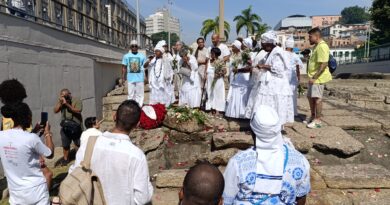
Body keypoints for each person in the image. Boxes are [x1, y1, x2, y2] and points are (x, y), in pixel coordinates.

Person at [70, 100, 153, 204]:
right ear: (137, 125)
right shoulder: (136, 155)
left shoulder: (88, 144)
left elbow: (74, 175)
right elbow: (142, 198)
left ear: (114, 116)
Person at [223, 105, 311, 205]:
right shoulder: (300, 161)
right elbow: (301, 198)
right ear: (279, 129)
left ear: (252, 131)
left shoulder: (238, 162)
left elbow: (226, 198)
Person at [0, 79, 54, 190]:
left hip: (17, 188)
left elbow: (21, 137)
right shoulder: (16, 115)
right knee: (47, 174)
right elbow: (24, 140)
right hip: (26, 160)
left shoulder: (5, 125)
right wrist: (47, 133)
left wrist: (35, 130)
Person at [0, 102, 54, 205]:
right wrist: (47, 133)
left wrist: (35, 130)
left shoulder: (1, 136)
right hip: (37, 191)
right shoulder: (32, 138)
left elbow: (18, 139)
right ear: (28, 117)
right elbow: (50, 153)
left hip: (16, 193)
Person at [245, 31, 294, 126]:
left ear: (268, 43)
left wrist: (262, 66)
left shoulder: (277, 52)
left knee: (273, 104)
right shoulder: (270, 52)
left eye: (263, 44)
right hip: (268, 82)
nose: (262, 47)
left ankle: (273, 125)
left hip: (276, 85)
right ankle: (264, 124)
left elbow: (278, 69)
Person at [306, 27, 332, 129]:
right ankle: (313, 116)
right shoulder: (316, 46)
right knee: (310, 97)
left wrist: (315, 77)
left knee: (317, 99)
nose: (309, 39)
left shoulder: (322, 46)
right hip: (314, 77)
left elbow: (324, 64)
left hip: (318, 78)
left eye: (310, 37)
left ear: (316, 36)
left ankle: (318, 120)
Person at [54, 88, 83, 165]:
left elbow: (78, 110)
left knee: (78, 144)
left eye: (66, 95)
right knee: (65, 144)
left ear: (69, 94)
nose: (65, 97)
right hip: (65, 127)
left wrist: (66, 104)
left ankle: (80, 159)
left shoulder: (76, 100)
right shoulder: (61, 102)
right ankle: (66, 159)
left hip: (76, 126)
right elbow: (55, 111)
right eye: (62, 95)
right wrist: (61, 103)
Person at [225, 40, 251, 119]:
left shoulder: (245, 55)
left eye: (233, 47)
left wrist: (238, 70)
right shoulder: (233, 55)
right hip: (235, 77)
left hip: (242, 77)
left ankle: (242, 113)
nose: (232, 48)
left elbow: (249, 66)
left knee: (241, 93)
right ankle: (234, 113)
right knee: (234, 93)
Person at [144, 40, 175, 106]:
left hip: (162, 82)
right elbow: (145, 66)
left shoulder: (165, 60)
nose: (156, 53)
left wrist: (170, 79)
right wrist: (149, 60)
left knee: (162, 96)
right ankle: (155, 106)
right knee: (154, 95)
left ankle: (162, 106)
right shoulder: (153, 59)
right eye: (155, 51)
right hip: (154, 82)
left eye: (157, 51)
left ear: (161, 52)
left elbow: (170, 71)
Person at [121, 40, 146, 107]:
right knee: (130, 94)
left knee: (140, 94)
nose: (134, 48)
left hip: (140, 78)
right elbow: (124, 67)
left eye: (135, 46)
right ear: (130, 47)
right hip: (130, 78)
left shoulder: (142, 56)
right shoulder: (126, 56)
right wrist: (123, 77)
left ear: (138, 47)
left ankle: (139, 107)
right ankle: (131, 107)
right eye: (132, 46)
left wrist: (146, 77)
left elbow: (145, 67)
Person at [285, 36, 304, 117]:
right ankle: (292, 112)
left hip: (284, 77)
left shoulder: (282, 54)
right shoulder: (295, 56)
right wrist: (299, 78)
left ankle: (284, 111)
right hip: (292, 78)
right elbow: (298, 67)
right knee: (292, 95)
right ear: (292, 47)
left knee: (284, 95)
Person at [205, 47, 226, 115]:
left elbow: (225, 71)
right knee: (210, 93)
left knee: (218, 94)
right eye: (211, 53)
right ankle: (211, 107)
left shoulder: (220, 61)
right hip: (210, 80)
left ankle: (218, 109)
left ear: (216, 54)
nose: (211, 54)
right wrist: (205, 76)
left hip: (218, 80)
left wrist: (219, 74)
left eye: (212, 53)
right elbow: (206, 70)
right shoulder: (209, 61)